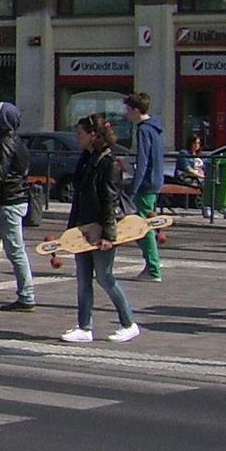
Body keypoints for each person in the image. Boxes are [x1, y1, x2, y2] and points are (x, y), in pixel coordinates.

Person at [61, 114, 141, 344]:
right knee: (83, 278)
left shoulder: (108, 163)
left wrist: (108, 235)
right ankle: (84, 327)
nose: (78, 138)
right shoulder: (86, 158)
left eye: (80, 134)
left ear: (93, 135)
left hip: (100, 228)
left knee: (105, 277)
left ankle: (128, 323)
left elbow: (109, 201)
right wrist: (71, 231)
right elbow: (79, 196)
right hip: (83, 227)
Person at [0, 101, 35, 310]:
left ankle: (27, 296)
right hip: (12, 200)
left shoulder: (4, 142)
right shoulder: (18, 142)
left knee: (15, 251)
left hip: (9, 202)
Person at [123, 92, 165, 282]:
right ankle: (152, 262)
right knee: (144, 222)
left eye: (128, 110)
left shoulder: (143, 130)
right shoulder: (155, 128)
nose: (126, 114)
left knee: (141, 226)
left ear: (136, 110)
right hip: (155, 181)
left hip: (146, 184)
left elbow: (143, 162)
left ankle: (153, 267)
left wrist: (133, 186)